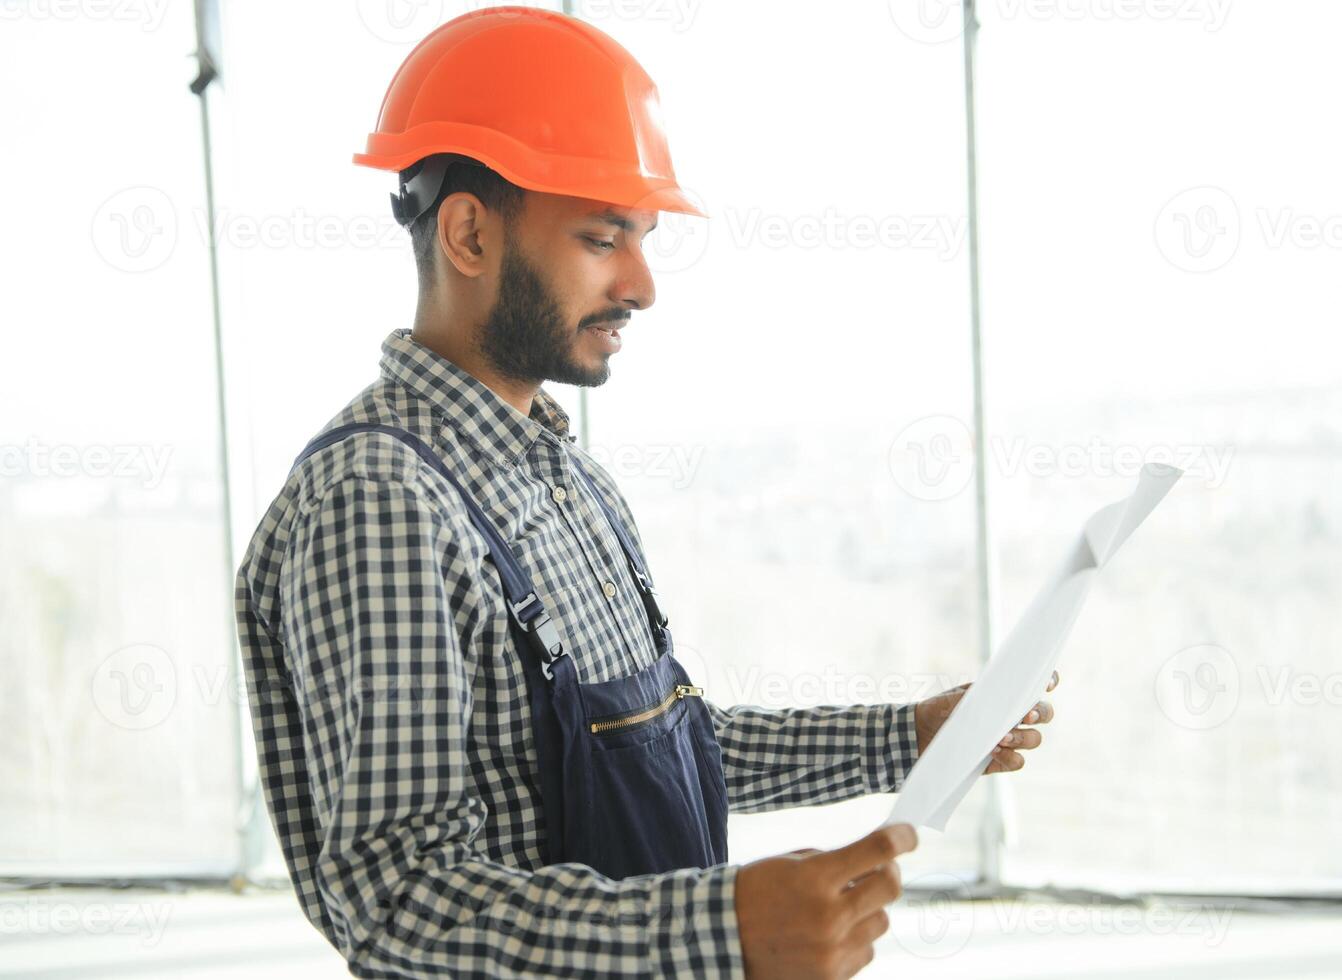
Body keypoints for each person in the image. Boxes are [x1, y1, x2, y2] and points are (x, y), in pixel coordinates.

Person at [234, 8, 1055, 977]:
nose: (643, 284)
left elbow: (665, 745)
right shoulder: (378, 503)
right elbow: (397, 897)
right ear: (466, 233)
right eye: (601, 237)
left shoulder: (574, 484)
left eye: (644, 237)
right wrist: (719, 927)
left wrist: (910, 737)